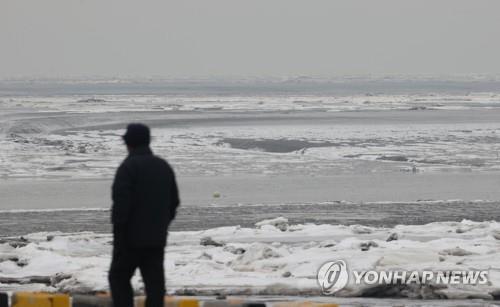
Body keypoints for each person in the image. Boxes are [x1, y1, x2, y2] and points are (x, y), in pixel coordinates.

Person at [109, 123, 180, 307]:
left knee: (119, 278)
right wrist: (161, 225)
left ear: (128, 143)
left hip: (129, 240)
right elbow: (174, 203)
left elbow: (121, 207)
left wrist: (119, 236)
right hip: (156, 239)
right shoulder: (163, 166)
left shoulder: (128, 168)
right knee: (155, 285)